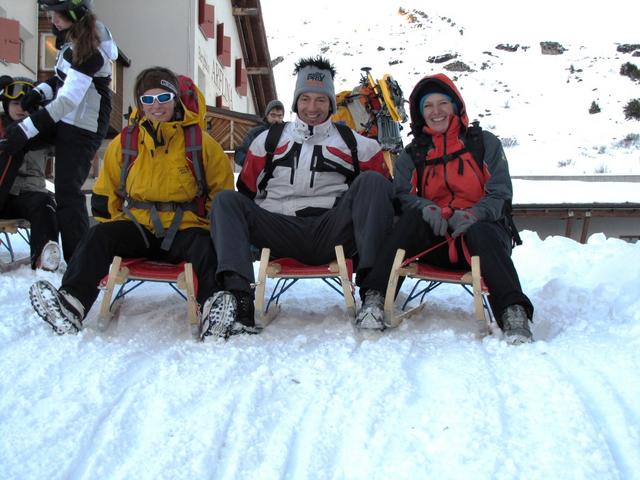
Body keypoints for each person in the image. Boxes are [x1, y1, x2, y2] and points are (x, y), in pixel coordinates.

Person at [28, 66, 234, 335]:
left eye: (163, 98)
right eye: (148, 99)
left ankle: (213, 309)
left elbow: (221, 193)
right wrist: (117, 224)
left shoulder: (202, 144)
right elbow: (107, 191)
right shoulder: (126, 142)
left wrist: (208, 224)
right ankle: (72, 303)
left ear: (175, 99)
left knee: (207, 247)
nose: (156, 106)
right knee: (99, 236)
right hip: (139, 226)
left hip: (186, 227)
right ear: (140, 103)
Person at [204, 55, 394, 339]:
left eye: (320, 100)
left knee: (374, 183)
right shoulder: (267, 141)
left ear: (331, 103)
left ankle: (373, 296)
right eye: (305, 99)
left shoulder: (359, 146)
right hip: (279, 230)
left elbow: (381, 201)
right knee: (226, 201)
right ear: (295, 102)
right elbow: (246, 191)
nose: (312, 108)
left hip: (331, 230)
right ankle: (239, 301)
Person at [355, 73, 535, 345]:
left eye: (443, 103)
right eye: (428, 106)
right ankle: (375, 297)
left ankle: (512, 310)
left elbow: (500, 193)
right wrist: (425, 207)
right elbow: (402, 194)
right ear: (420, 113)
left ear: (456, 106)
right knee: (409, 221)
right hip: (435, 239)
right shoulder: (413, 153)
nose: (436, 111)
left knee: (482, 231)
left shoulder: (483, 143)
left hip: (480, 240)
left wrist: (475, 214)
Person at [0, 0, 117, 263]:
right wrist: (39, 92)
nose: (52, 20)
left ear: (74, 15)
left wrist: (29, 127)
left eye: (58, 15)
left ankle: (79, 262)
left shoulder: (91, 49)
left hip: (84, 127)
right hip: (66, 118)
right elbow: (62, 78)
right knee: (13, 141)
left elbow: (69, 99)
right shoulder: (72, 41)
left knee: (67, 192)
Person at [0, 76, 61, 271]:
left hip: (29, 195)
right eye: (15, 103)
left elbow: (67, 145)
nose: (20, 108)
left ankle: (45, 256)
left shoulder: (42, 133)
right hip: (2, 193)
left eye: (25, 104)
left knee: (46, 204)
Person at [234, 99, 285, 167]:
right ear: (267, 115)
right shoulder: (255, 133)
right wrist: (250, 163)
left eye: (280, 116)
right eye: (273, 115)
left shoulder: (287, 134)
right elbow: (240, 153)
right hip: (258, 172)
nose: (276, 119)